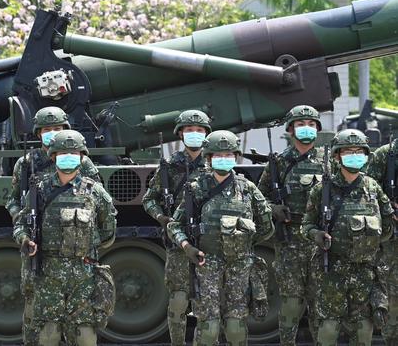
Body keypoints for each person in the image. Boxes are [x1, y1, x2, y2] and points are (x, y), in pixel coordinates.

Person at [167, 130, 274, 346]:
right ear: (209, 158)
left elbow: (266, 226)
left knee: (236, 328)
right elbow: (174, 225)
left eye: (228, 155)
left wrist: (243, 244)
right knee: (209, 328)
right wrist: (187, 246)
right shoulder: (196, 189)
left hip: (240, 266)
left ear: (235, 157)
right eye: (218, 155)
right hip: (207, 264)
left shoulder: (247, 189)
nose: (224, 159)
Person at [5, 106, 99, 345]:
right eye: (47, 129)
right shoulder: (26, 163)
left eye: (57, 128)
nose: (53, 133)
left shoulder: (82, 162)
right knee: (34, 307)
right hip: (38, 245)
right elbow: (13, 199)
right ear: (39, 133)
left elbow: (96, 201)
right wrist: (22, 221)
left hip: (72, 245)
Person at [301, 129, 394, 345]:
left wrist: (369, 243)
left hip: (365, 272)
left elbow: (388, 226)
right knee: (329, 328)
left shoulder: (373, 188)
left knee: (363, 330)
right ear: (336, 156)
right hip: (333, 270)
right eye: (348, 151)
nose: (355, 155)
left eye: (359, 151)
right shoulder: (322, 189)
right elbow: (306, 226)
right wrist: (317, 235)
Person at [142, 109, 211, 345]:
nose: (194, 134)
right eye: (189, 130)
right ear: (180, 134)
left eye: (199, 130)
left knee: (208, 302)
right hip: (178, 242)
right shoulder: (170, 167)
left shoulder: (214, 165)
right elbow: (149, 199)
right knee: (178, 300)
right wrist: (162, 217)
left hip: (209, 242)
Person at [257, 105, 323, 345]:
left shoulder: (329, 160)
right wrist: (272, 209)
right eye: (300, 124)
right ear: (290, 130)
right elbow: (258, 197)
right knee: (291, 303)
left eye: (310, 124)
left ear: (317, 128)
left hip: (319, 242)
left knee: (320, 303)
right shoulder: (279, 163)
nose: (306, 129)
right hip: (290, 240)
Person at [366, 133, 398, 344]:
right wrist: (389, 209)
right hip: (391, 242)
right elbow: (368, 191)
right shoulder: (385, 156)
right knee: (392, 298)